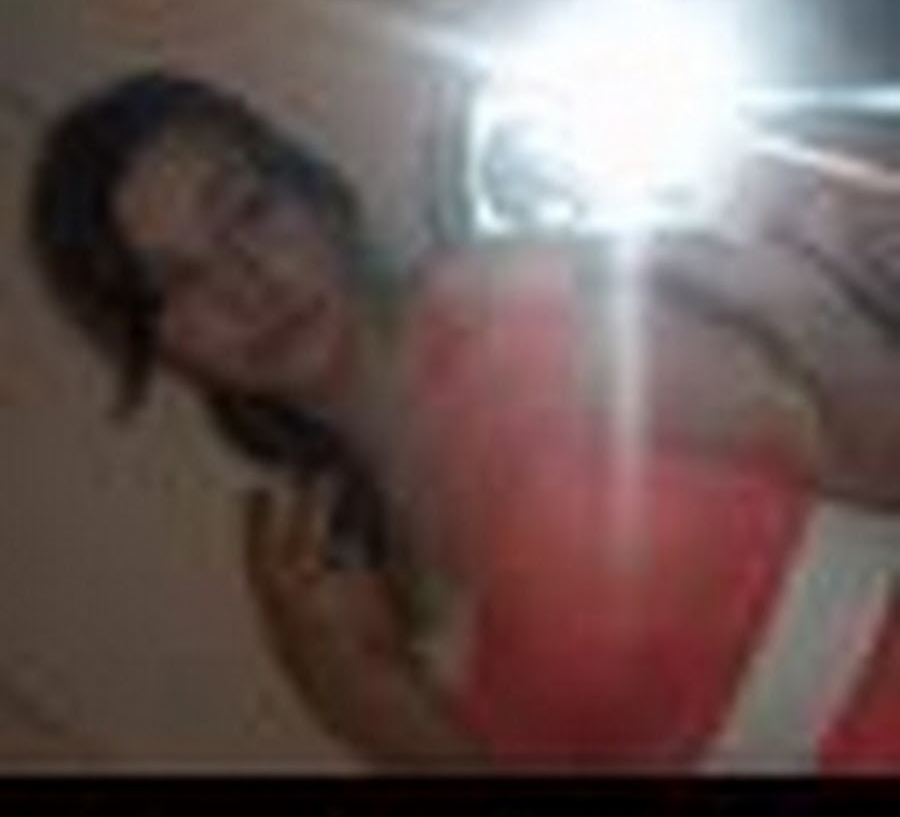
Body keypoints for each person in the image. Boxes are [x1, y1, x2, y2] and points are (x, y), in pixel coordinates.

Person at [27, 71, 900, 771]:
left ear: (316, 191)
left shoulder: (502, 308)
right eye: (177, 282)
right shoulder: (328, 575)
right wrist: (374, 702)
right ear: (161, 349)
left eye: (249, 209)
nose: (245, 284)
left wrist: (797, 299)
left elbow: (876, 459)